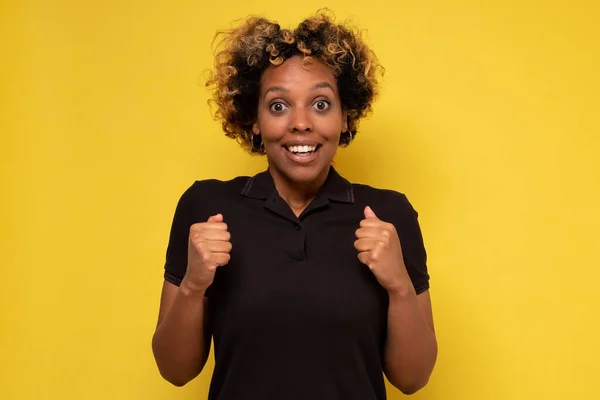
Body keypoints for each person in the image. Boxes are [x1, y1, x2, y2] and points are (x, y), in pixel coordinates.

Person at [152, 10, 438, 400]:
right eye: (279, 106)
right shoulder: (206, 207)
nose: (301, 123)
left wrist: (400, 286)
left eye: (320, 104)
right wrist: (193, 286)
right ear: (253, 120)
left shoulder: (389, 216)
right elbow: (175, 371)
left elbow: (413, 378)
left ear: (344, 117)